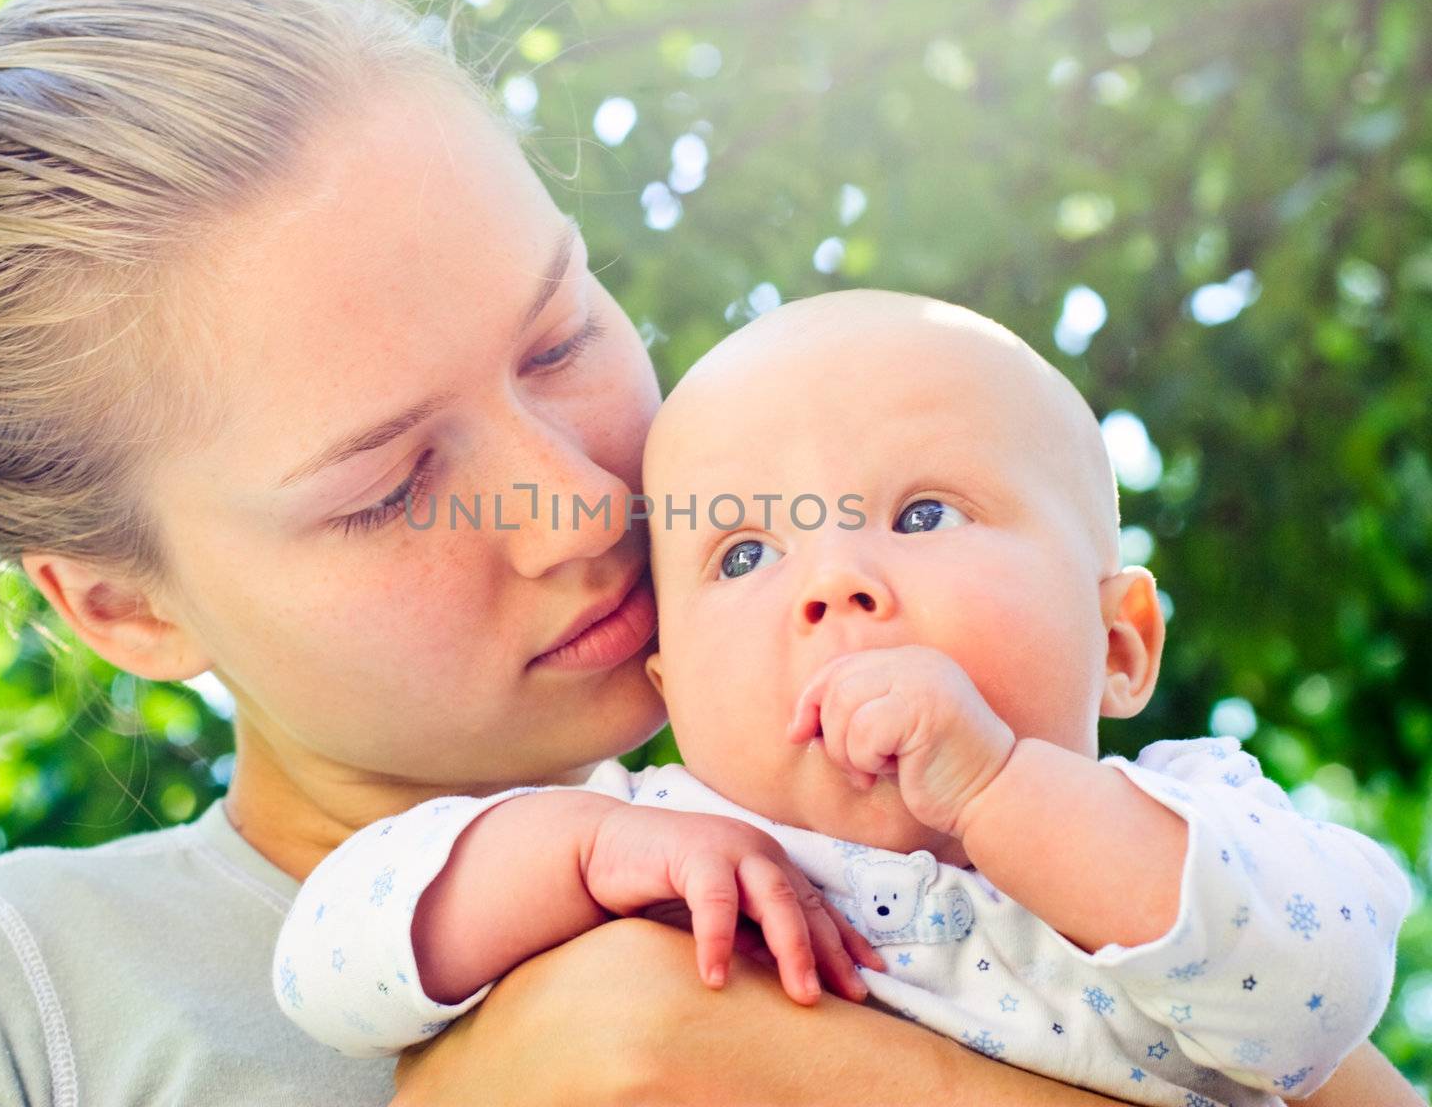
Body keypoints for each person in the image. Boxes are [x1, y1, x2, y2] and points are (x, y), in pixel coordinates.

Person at [0, 0, 1415, 1107]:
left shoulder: (1010, 843)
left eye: (562, 337)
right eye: (390, 485)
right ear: (125, 610)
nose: (582, 502)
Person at [275, 293, 1411, 1107]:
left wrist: (1000, 789)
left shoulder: (1197, 825)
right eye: (740, 555)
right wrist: (579, 850)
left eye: (920, 516)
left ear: (1119, 642)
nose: (831, 584)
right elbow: (324, 973)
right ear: (672, 692)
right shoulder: (661, 828)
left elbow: (1315, 1008)